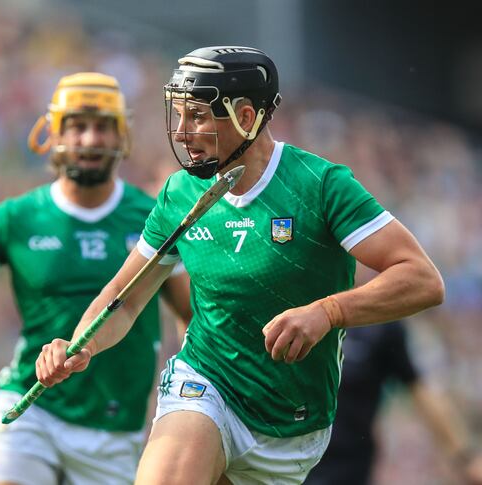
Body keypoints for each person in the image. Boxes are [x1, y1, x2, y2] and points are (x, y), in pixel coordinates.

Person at [35, 46, 445, 485]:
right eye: (179, 115)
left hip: (293, 423)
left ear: (246, 117)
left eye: (196, 116)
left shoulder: (320, 185)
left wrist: (328, 312)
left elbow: (421, 278)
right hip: (206, 383)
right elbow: (125, 297)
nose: (181, 132)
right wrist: (81, 345)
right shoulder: (180, 193)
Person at [0, 72, 192, 485]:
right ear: (52, 134)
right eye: (78, 127)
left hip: (117, 425)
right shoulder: (15, 218)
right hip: (31, 404)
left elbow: (191, 317)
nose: (90, 140)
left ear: (122, 135)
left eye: (103, 127)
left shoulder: (154, 218)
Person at [306, 320, 482, 485]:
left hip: (347, 468)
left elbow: (420, 391)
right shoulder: (296, 309)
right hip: (290, 462)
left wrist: (466, 459)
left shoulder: (379, 325)